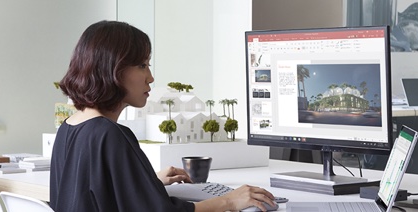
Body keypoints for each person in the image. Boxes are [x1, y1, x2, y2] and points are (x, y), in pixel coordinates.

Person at [50, 20, 276, 212]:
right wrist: (230, 200)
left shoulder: (70, 127)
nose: (150, 77)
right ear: (112, 69)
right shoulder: (109, 134)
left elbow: (89, 194)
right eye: (142, 65)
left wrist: (147, 182)